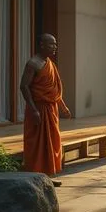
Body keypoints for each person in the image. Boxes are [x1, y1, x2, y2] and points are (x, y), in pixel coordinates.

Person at [20, 34, 71, 186]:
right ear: (42, 45)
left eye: (55, 44)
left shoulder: (49, 63)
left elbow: (54, 90)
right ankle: (35, 176)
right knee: (37, 143)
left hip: (50, 108)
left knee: (51, 141)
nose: (55, 47)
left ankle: (47, 176)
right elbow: (23, 86)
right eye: (51, 44)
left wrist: (63, 106)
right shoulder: (33, 63)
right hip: (38, 108)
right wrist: (33, 109)